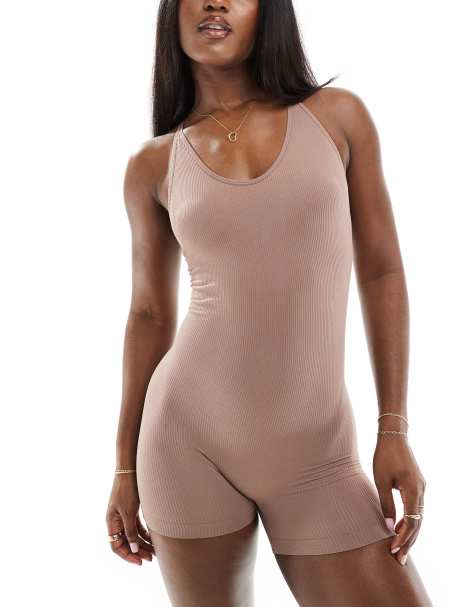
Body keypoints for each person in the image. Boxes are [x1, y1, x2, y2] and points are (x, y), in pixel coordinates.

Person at [106, 1, 434, 605]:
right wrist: (123, 467)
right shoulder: (153, 164)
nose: (215, 2)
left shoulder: (337, 118)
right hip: (185, 443)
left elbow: (383, 271)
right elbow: (149, 315)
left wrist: (394, 427)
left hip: (318, 460)